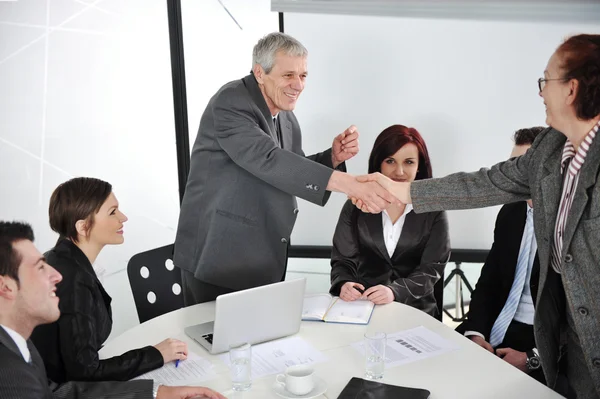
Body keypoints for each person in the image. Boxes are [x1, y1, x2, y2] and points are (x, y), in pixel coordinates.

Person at [357, 34, 600, 398]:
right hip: (576, 362)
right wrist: (398, 190)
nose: (540, 92)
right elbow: (483, 184)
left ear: (571, 90)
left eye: (545, 81)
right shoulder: (549, 149)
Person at [174, 32, 394, 305]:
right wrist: (350, 184)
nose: (298, 85)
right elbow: (268, 159)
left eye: (303, 76)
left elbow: (290, 170)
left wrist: (332, 158)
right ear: (259, 73)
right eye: (288, 75)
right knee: (212, 345)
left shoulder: (286, 116)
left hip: (263, 258)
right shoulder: (230, 103)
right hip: (217, 256)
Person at [0, 221, 224, 399]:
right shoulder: (10, 375)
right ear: (6, 287)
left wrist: (156, 393)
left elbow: (58, 394)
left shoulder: (18, 342)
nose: (56, 275)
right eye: (40, 267)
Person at [31, 177, 187, 383]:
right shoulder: (73, 279)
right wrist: (156, 354)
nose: (123, 218)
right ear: (83, 226)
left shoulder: (59, 258)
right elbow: (86, 372)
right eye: (112, 212)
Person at [329, 125, 450, 317]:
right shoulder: (356, 206)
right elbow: (343, 260)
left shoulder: (433, 210)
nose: (399, 171)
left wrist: (394, 291)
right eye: (390, 161)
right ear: (379, 164)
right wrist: (344, 283)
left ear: (419, 166)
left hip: (417, 313)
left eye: (409, 162)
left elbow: (431, 269)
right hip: (364, 309)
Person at [456, 126, 545, 382]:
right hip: (497, 324)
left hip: (541, 340)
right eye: (512, 164)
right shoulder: (510, 212)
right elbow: (489, 282)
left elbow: (581, 319)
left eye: (525, 165)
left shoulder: (573, 225)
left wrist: (532, 357)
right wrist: (476, 333)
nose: (516, 174)